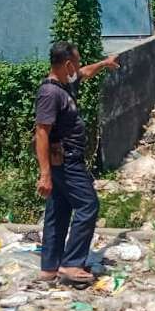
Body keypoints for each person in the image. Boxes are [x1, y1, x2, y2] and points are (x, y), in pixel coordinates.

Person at [35, 42, 119, 285]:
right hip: (66, 160)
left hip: (65, 160)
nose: (80, 66)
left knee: (58, 211)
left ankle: (49, 267)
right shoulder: (51, 93)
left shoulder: (65, 84)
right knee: (88, 205)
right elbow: (41, 132)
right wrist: (45, 174)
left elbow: (85, 72)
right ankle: (71, 264)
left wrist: (104, 64)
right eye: (77, 61)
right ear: (68, 63)